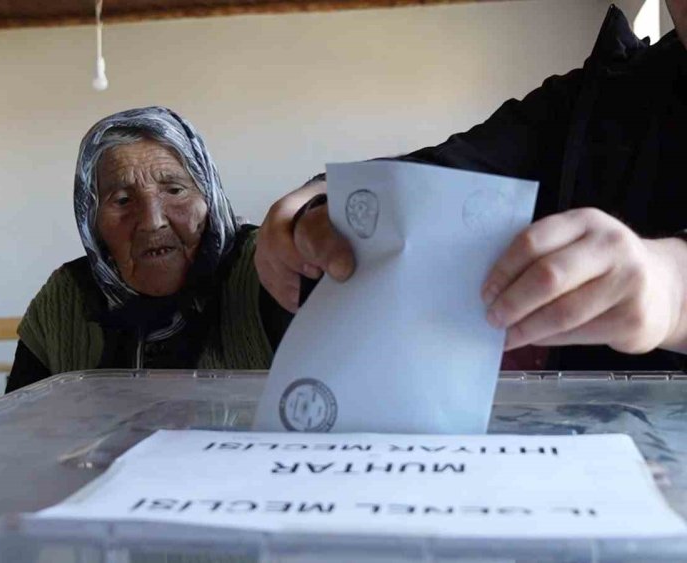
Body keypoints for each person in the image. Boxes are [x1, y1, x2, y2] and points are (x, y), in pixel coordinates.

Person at [255, 3, 687, 371]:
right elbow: (450, 168)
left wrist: (674, 292)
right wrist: (319, 198)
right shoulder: (605, 94)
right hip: (593, 447)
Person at [6, 107, 287, 392]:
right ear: (91, 220)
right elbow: (18, 428)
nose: (152, 222)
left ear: (209, 198)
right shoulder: (66, 299)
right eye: (123, 200)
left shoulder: (264, 267)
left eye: (174, 190)